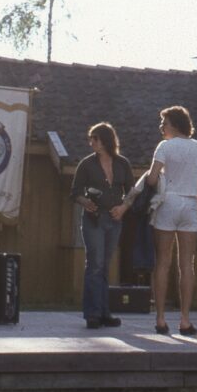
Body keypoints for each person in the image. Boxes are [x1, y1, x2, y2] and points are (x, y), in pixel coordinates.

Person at [146, 105, 197, 336]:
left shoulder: (164, 146)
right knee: (187, 263)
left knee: (163, 262)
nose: (161, 127)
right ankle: (185, 319)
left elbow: (152, 178)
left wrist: (160, 179)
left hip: (168, 201)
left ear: (174, 124)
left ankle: (161, 318)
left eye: (164, 122)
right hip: (190, 203)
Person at [70, 122, 135, 329]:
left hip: (115, 220)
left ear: (106, 140)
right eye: (90, 139)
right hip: (94, 219)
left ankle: (105, 312)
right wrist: (85, 202)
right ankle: (92, 314)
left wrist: (123, 207)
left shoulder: (122, 163)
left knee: (105, 266)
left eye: (95, 139)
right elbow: (75, 192)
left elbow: (132, 191)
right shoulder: (86, 164)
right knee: (95, 264)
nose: (91, 143)